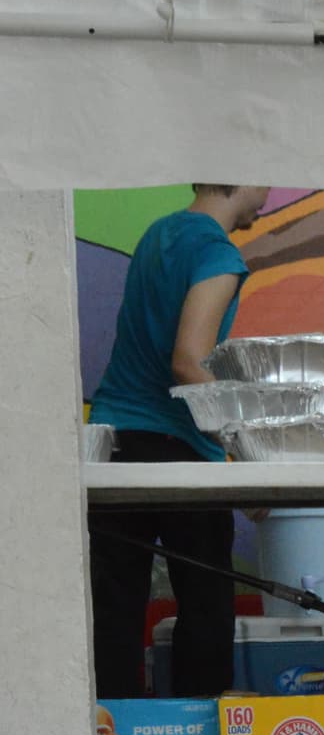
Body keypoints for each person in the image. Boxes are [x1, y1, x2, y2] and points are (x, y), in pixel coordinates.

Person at [87, 184, 269, 697]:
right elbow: (188, 361)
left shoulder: (157, 235)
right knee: (206, 609)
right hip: (181, 451)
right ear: (241, 177)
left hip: (116, 445)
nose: (270, 193)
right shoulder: (217, 253)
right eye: (267, 179)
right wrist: (251, 451)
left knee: (114, 611)